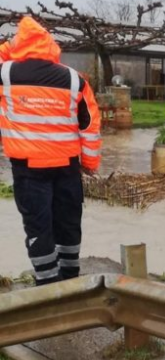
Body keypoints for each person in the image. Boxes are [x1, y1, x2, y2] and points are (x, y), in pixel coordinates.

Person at [0, 16, 101, 284]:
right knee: (68, 222)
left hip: (29, 169)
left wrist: (9, 49)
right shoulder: (74, 80)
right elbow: (89, 125)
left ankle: (47, 285)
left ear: (20, 45)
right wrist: (89, 163)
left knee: (38, 226)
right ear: (50, 45)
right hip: (67, 167)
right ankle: (70, 279)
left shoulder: (6, 74)